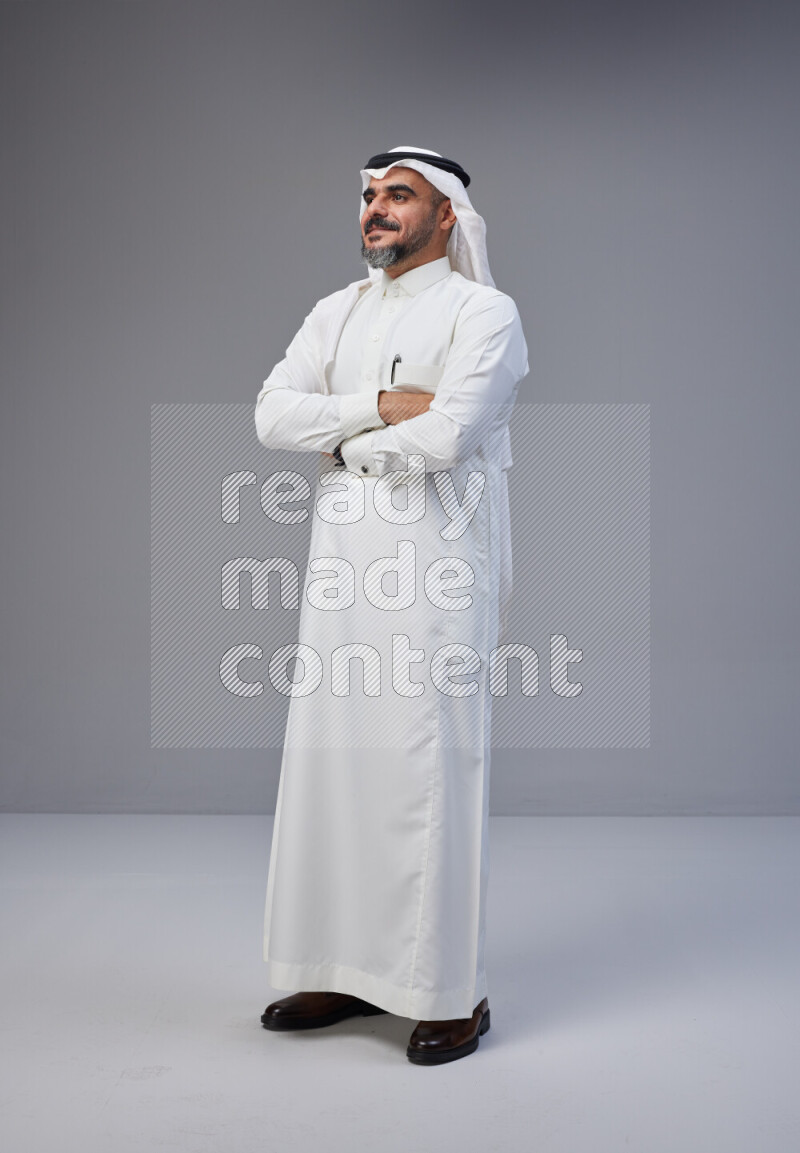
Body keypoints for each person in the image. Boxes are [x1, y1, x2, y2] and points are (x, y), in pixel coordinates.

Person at [254, 146, 528, 1064]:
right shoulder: (335, 310)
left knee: (427, 768)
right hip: (342, 571)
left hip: (439, 570)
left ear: (445, 214)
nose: (377, 210)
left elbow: (452, 433)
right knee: (335, 758)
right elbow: (269, 413)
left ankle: (449, 991)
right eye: (371, 196)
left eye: (398, 196)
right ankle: (336, 966)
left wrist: (344, 443)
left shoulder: (485, 313)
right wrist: (379, 405)